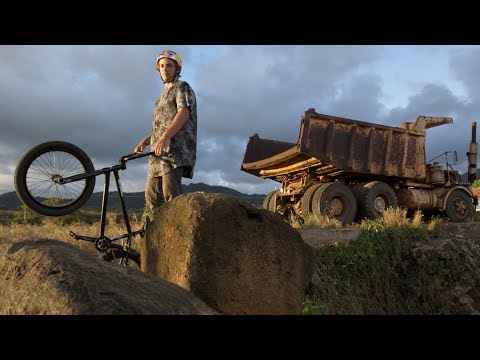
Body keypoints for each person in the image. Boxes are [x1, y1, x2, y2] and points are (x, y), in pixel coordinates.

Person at [134, 50, 197, 214]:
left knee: (171, 197)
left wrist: (165, 137)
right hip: (157, 153)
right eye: (161, 66)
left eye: (169, 65)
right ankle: (158, 235)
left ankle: (176, 236)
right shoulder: (160, 97)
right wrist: (146, 141)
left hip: (174, 151)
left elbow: (183, 113)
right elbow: (162, 125)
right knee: (152, 197)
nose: (165, 69)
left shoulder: (181, 87)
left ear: (177, 68)